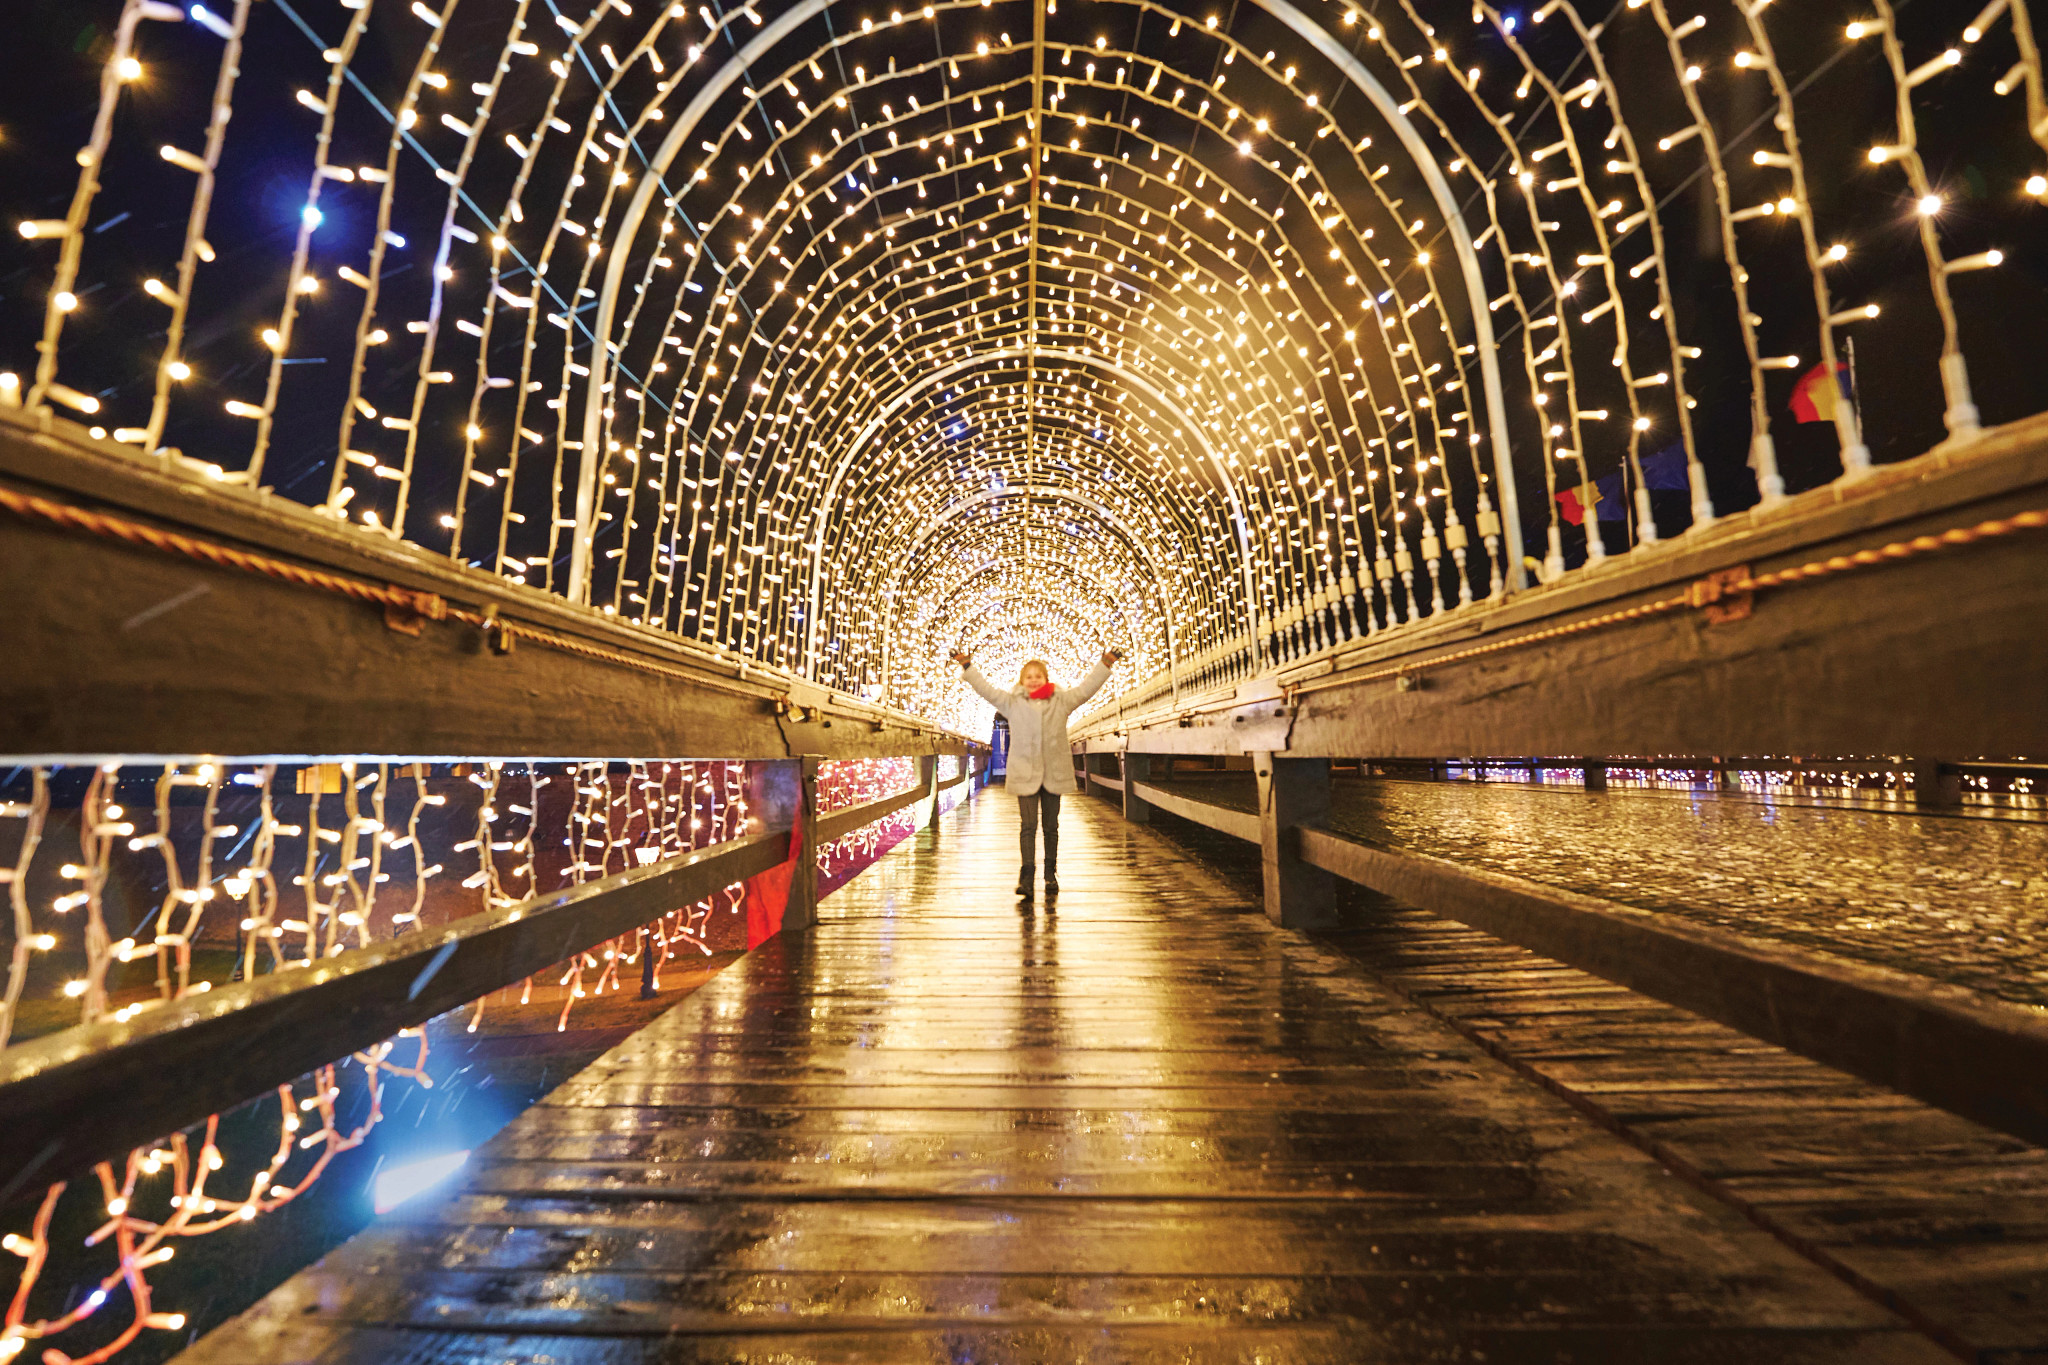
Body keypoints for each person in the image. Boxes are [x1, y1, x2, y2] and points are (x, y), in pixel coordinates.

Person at [952, 647, 1120, 897]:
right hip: (1025, 772)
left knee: (1051, 827)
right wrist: (967, 666)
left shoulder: (1061, 700)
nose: (1033, 680)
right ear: (1021, 680)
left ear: (1046, 678)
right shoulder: (1011, 702)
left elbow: (1086, 689)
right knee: (1028, 826)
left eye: (1038, 676)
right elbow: (985, 689)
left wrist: (1104, 664)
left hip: (1054, 771)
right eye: (1028, 676)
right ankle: (1027, 876)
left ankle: (1050, 874)